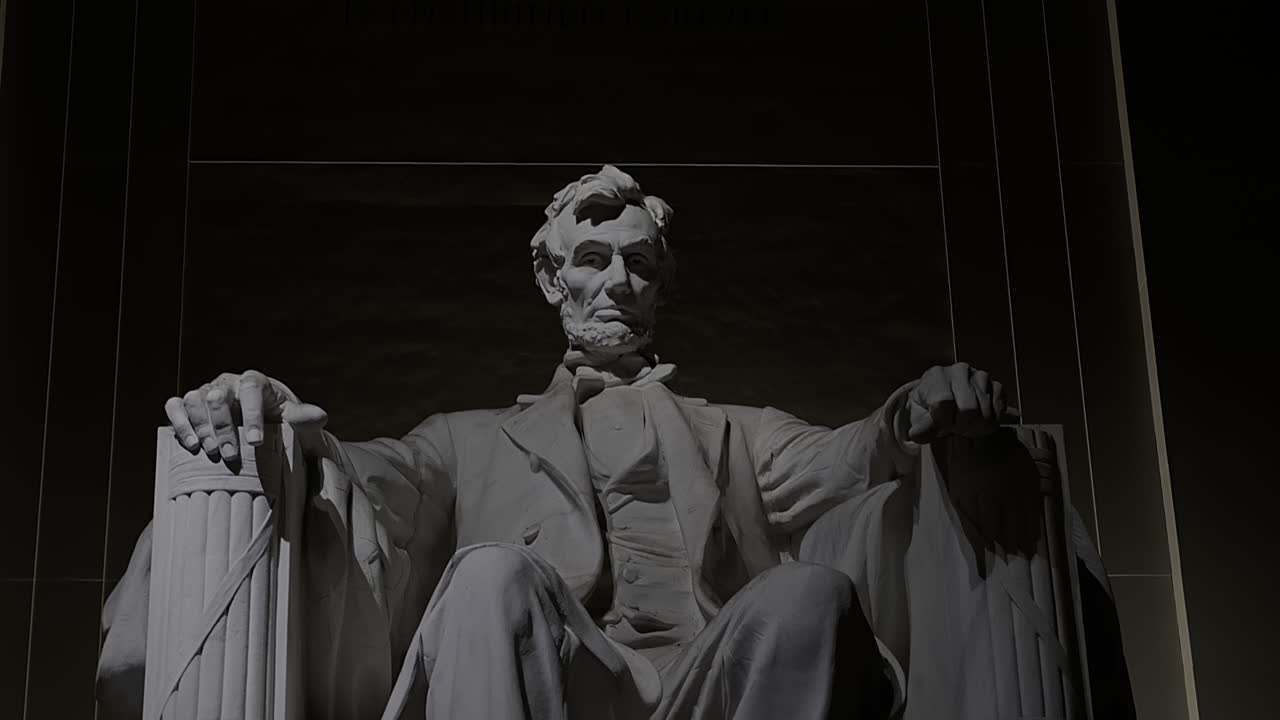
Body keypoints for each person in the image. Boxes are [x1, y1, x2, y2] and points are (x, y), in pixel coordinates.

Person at [99, 166, 1023, 720]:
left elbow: (849, 458)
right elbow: (364, 475)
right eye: (592, 259)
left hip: (719, 684)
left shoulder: (734, 432)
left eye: (640, 264)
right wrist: (276, 417)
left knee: (811, 593)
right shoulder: (467, 441)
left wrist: (915, 411)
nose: (618, 281)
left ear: (662, 287)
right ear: (551, 281)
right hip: (561, 679)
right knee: (492, 574)